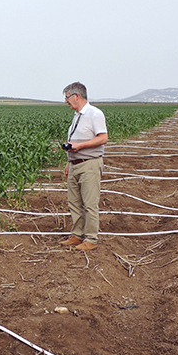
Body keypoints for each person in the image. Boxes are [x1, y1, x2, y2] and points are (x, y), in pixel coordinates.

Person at [60, 82, 108, 251]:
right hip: (74, 164)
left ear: (76, 96)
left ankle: (91, 239)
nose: (66, 101)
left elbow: (103, 138)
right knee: (74, 202)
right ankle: (77, 235)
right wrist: (69, 162)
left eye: (67, 97)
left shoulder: (95, 114)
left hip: (89, 164)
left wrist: (81, 146)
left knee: (89, 203)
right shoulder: (76, 116)